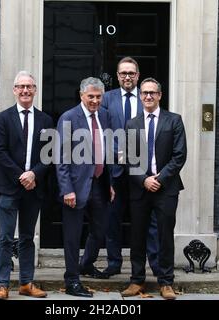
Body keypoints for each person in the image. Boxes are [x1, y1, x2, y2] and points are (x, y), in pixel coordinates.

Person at [121, 77, 187, 300]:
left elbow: (179, 156)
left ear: (160, 95)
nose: (148, 96)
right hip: (140, 189)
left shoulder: (174, 121)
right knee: (137, 235)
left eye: (152, 93)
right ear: (140, 96)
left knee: (165, 235)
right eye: (144, 93)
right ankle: (136, 280)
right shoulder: (132, 124)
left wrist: (160, 178)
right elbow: (129, 158)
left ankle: (166, 282)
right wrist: (143, 180)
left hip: (166, 189)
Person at [0, 71, 53, 300]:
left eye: (29, 86)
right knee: (6, 237)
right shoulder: (3, 118)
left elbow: (49, 155)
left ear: (35, 90)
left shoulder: (46, 120)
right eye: (21, 87)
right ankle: (2, 284)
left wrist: (33, 174)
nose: (25, 90)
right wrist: (22, 176)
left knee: (28, 237)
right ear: (14, 90)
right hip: (10, 187)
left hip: (33, 188)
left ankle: (26, 283)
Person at [101, 57, 160, 278]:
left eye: (131, 73)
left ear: (137, 75)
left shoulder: (147, 98)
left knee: (148, 219)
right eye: (123, 73)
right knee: (112, 218)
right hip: (115, 169)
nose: (127, 76)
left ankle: (154, 263)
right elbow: (102, 131)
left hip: (142, 171)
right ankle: (114, 263)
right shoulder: (107, 99)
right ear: (117, 76)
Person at [56, 77, 115, 297]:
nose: (95, 100)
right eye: (91, 96)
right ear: (81, 95)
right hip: (75, 185)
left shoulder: (106, 115)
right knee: (72, 236)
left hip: (100, 184)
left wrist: (110, 183)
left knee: (100, 230)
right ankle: (72, 280)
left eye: (99, 96)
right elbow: (61, 157)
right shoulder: (69, 118)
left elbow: (106, 151)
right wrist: (66, 189)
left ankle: (86, 264)